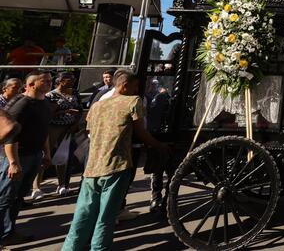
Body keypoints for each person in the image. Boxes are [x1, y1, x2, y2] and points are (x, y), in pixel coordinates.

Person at [62, 71, 166, 251]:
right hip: (117, 165)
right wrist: (159, 145)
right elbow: (141, 132)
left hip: (92, 165)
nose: (137, 90)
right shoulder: (133, 101)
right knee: (106, 216)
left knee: (83, 213)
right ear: (125, 86)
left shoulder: (97, 105)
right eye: (135, 86)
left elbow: (89, 132)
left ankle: (70, 248)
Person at [0, 70, 52, 245]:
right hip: (16, 158)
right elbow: (9, 136)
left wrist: (46, 153)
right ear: (31, 84)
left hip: (34, 155)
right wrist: (13, 163)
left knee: (18, 197)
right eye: (45, 81)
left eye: (50, 80)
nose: (49, 83)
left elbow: (44, 130)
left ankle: (8, 233)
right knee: (5, 198)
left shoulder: (45, 103)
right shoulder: (21, 105)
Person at [44, 73, 82, 195]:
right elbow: (47, 114)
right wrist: (65, 111)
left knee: (64, 156)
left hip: (69, 128)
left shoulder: (74, 93)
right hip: (54, 128)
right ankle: (36, 187)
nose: (73, 81)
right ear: (61, 81)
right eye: (70, 79)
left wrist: (75, 124)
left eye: (74, 79)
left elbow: (80, 109)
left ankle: (62, 184)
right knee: (47, 155)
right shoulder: (51, 95)